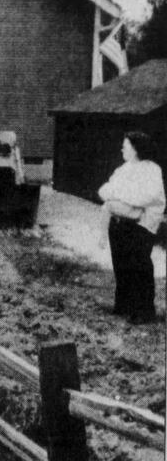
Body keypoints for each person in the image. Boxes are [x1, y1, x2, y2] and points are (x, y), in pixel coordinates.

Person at [97, 131, 165, 324]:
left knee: (139, 265)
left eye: (125, 146)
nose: (122, 149)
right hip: (119, 222)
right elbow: (105, 190)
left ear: (135, 149)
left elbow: (148, 196)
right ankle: (124, 305)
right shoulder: (123, 169)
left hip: (142, 224)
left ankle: (144, 311)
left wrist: (121, 197)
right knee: (121, 264)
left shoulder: (152, 170)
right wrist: (122, 197)